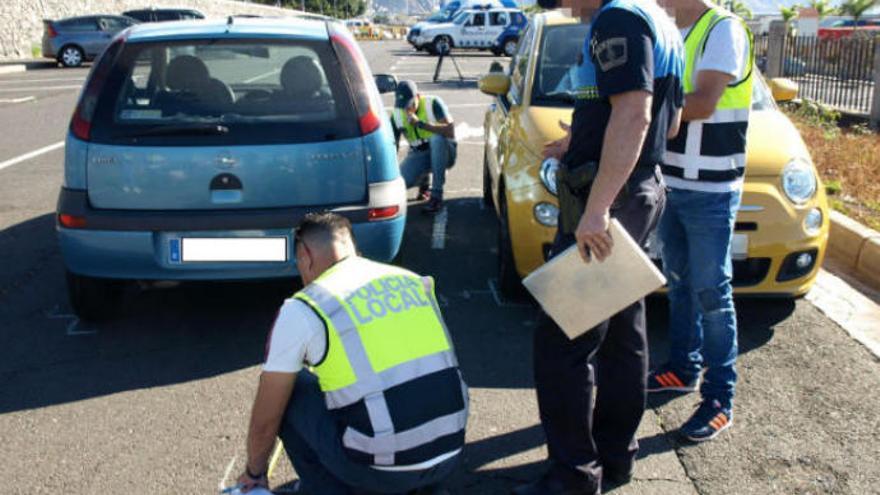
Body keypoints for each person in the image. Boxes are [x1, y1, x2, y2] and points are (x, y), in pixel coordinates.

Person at [514, 0, 684, 493]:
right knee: (621, 337)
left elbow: (634, 113)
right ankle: (615, 459)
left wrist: (597, 209)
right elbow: (667, 122)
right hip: (639, 190)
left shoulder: (618, 18)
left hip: (610, 200)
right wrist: (583, 136)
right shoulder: (656, 17)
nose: (569, 10)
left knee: (562, 343)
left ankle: (572, 477)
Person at [236, 212, 468, 494]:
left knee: (290, 389)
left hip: (383, 471)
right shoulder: (411, 280)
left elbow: (266, 416)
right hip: (450, 453)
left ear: (305, 256)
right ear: (354, 249)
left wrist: (254, 472)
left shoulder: (306, 306)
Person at [647, 0, 754, 443]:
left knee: (712, 292)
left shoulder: (722, 29)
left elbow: (705, 102)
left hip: (712, 189)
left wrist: (642, 109)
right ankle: (682, 367)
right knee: (679, 282)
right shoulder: (673, 30)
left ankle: (718, 399)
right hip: (671, 180)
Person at [391, 80, 457, 214]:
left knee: (437, 139)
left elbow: (450, 131)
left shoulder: (432, 103)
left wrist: (421, 124)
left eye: (409, 104)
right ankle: (424, 181)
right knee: (399, 185)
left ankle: (436, 196)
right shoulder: (396, 115)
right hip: (419, 154)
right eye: (402, 106)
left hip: (445, 152)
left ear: (418, 96)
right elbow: (392, 145)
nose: (406, 109)